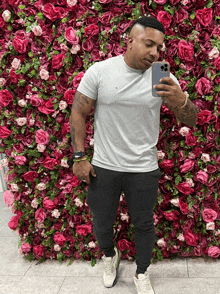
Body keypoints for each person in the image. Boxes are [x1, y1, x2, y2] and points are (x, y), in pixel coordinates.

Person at [69, 16, 198, 294]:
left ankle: (141, 272)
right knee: (101, 221)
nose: (155, 53)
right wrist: (79, 156)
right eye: (149, 44)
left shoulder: (160, 74)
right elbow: (78, 111)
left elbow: (191, 120)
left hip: (143, 168)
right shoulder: (100, 71)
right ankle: (109, 255)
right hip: (104, 166)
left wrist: (181, 102)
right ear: (128, 40)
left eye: (159, 48)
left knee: (143, 223)